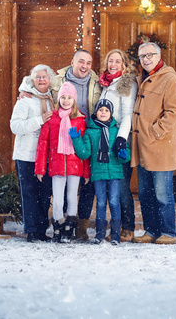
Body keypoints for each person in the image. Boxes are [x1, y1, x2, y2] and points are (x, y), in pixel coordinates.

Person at [19, 49, 101, 240]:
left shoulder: (96, 81)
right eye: (81, 61)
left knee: (79, 194)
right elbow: (37, 80)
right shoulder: (58, 80)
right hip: (58, 159)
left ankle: (77, 228)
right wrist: (24, 88)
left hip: (83, 139)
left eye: (88, 63)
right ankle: (59, 227)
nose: (85, 66)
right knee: (58, 196)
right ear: (72, 61)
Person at [131, 42, 176, 245]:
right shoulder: (141, 78)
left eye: (150, 55)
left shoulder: (170, 79)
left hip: (160, 146)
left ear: (158, 56)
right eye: (142, 56)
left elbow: (173, 113)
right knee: (145, 194)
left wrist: (154, 132)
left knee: (162, 194)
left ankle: (169, 233)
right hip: (142, 147)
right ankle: (151, 231)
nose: (146, 59)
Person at [69, 99, 130, 245]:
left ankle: (115, 235)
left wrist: (123, 155)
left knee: (115, 202)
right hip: (98, 173)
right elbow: (85, 153)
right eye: (100, 110)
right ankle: (99, 234)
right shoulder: (90, 132)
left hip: (115, 172)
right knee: (101, 202)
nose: (103, 113)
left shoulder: (116, 130)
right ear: (96, 112)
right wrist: (76, 139)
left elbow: (125, 153)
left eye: (106, 110)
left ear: (111, 113)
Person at [35, 82, 90, 243]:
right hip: (56, 166)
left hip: (75, 167)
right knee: (58, 200)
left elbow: (84, 150)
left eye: (69, 98)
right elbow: (43, 145)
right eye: (63, 97)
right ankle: (57, 229)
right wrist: (40, 169)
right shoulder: (52, 119)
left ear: (74, 100)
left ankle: (69, 230)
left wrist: (86, 172)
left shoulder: (79, 120)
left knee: (72, 198)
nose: (66, 101)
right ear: (59, 99)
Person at [10, 64, 55, 243]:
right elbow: (15, 126)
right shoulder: (25, 100)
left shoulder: (53, 98)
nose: (42, 79)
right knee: (29, 193)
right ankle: (32, 231)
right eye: (38, 77)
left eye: (44, 77)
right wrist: (39, 120)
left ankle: (42, 229)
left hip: (46, 156)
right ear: (32, 80)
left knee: (44, 193)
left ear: (50, 79)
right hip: (26, 155)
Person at [98, 49, 138, 242]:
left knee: (121, 186)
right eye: (110, 61)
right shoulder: (104, 83)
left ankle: (128, 227)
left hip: (119, 140)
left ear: (124, 64)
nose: (113, 64)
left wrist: (121, 139)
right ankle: (115, 225)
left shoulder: (127, 83)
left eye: (117, 61)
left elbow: (128, 114)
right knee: (110, 186)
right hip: (104, 140)